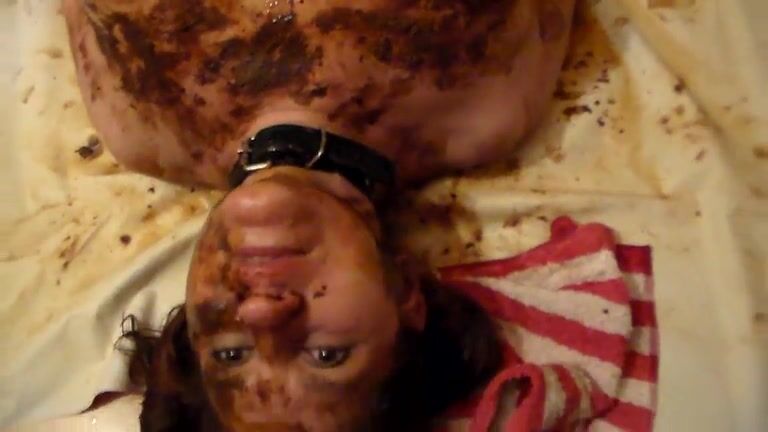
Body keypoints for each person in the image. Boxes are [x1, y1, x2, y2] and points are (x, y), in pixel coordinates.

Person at [63, 0, 575, 430]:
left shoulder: (135, 120)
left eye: (230, 354)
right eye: (327, 355)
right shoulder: (485, 94)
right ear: (406, 299)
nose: (261, 314)